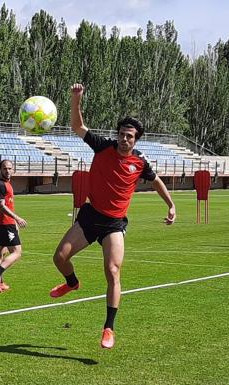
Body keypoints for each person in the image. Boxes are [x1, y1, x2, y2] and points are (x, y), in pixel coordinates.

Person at [50, 83, 176, 349]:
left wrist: (171, 204)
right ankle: (72, 283)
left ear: (136, 139)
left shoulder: (140, 162)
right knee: (59, 257)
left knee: (113, 270)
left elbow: (156, 182)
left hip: (114, 224)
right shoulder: (102, 147)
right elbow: (77, 127)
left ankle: (109, 328)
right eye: (121, 134)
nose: (124, 139)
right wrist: (76, 100)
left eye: (129, 136)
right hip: (90, 216)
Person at [0, 160, 27, 293]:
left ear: (13, 169)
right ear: (0, 170)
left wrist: (14, 222)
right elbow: (1, 206)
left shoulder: (5, 184)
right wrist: (16, 218)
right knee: (17, 252)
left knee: (0, 252)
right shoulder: (0, 185)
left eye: (10, 168)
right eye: (5, 169)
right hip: (5, 224)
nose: (8, 171)